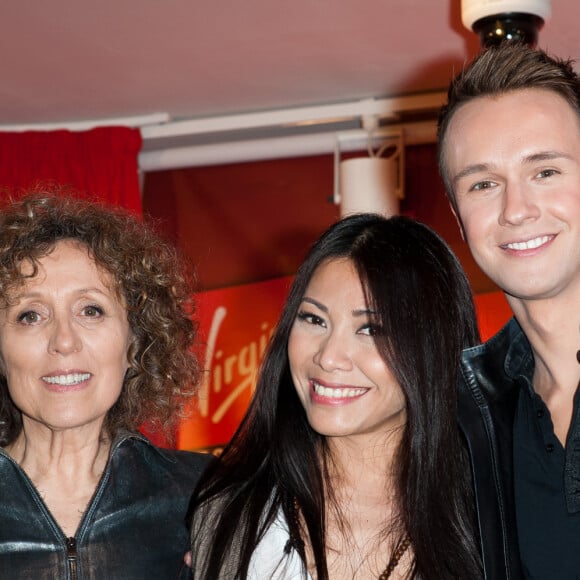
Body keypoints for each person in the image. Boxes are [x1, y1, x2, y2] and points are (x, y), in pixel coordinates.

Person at [188, 213, 483, 579]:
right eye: (314, 319)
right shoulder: (229, 514)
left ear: (433, 348)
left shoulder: (493, 517)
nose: (327, 357)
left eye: (371, 328)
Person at [0, 192, 211, 579]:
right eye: (30, 315)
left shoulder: (207, 496)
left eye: (91, 310)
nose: (64, 340)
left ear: (134, 343)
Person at [437, 42, 580, 578]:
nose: (516, 210)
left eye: (545, 172)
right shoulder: (460, 420)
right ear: (457, 214)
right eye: (483, 184)